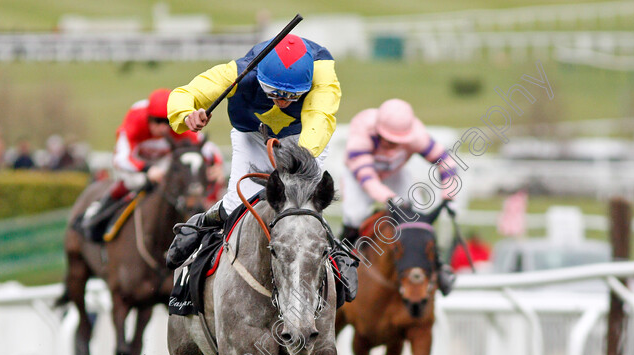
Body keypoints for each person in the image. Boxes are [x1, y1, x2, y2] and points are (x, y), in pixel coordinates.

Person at [165, 34, 341, 268]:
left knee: (304, 206)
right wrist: (188, 114)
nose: (283, 102)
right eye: (274, 92)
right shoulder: (239, 71)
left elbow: (321, 117)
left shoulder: (322, 72)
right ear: (260, 78)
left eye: (293, 95)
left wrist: (300, 159)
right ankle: (201, 227)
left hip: (304, 138)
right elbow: (186, 93)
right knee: (237, 204)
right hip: (253, 135)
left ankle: (339, 261)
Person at [341, 98, 459, 294]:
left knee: (418, 213)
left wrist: (449, 195)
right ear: (377, 130)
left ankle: (439, 267)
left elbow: (447, 162)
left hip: (395, 173)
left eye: (398, 142)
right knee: (355, 215)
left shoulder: (418, 136)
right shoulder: (361, 134)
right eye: (388, 139)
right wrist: (390, 198)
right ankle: (342, 262)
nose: (392, 145)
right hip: (359, 176)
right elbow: (368, 179)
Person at [80, 88, 222, 241]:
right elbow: (121, 159)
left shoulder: (179, 122)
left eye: (167, 121)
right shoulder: (136, 118)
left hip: (162, 163)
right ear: (148, 117)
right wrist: (147, 169)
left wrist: (218, 165)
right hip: (135, 164)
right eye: (157, 121)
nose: (163, 128)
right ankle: (98, 214)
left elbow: (205, 147)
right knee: (131, 182)